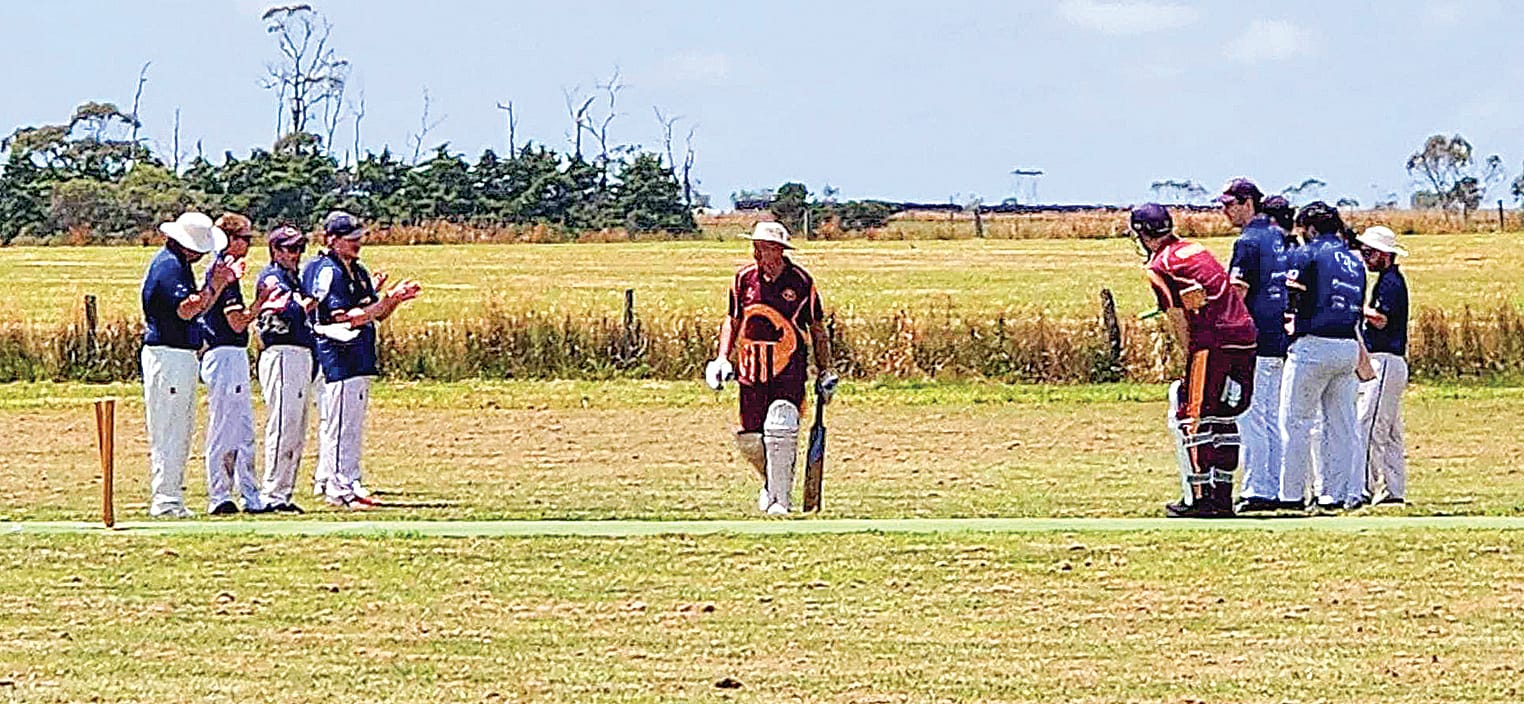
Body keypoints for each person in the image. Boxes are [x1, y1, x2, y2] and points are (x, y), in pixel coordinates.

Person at [1131, 204, 1257, 518]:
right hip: (1245, 335)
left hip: (1212, 341)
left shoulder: (1159, 265)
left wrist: (1189, 356)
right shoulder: (1196, 248)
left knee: (1195, 418)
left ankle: (1202, 498)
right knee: (1226, 418)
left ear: (1143, 235)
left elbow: (1177, 318)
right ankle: (1224, 495)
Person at [705, 222, 838, 515]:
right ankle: (772, 482)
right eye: (755, 246)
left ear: (777, 250)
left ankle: (780, 501)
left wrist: (825, 369)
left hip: (788, 369)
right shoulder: (743, 280)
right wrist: (722, 357)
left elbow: (816, 327)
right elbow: (733, 319)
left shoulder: (801, 282)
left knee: (782, 425)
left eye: (763, 247)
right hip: (750, 370)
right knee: (751, 439)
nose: (756, 252)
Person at [307, 211, 422, 510]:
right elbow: (343, 317)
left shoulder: (357, 271)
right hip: (339, 353)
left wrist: (393, 300)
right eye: (350, 238)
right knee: (340, 423)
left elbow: (374, 312)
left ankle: (349, 481)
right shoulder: (328, 271)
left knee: (351, 425)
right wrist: (383, 303)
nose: (358, 243)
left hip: (358, 355)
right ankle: (338, 488)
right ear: (332, 240)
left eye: (359, 237)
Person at [140, 212, 237, 518]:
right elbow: (187, 309)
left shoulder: (177, 265)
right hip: (168, 354)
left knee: (178, 428)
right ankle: (165, 499)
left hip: (178, 354)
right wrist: (215, 286)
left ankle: (172, 497)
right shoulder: (169, 267)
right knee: (169, 428)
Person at [1278, 202, 1367, 511]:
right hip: (1347, 346)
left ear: (1309, 228)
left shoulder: (1307, 253)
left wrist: (1289, 318)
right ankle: (1335, 494)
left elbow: (1293, 294)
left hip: (1313, 345)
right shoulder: (1355, 261)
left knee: (1296, 422)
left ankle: (1290, 495)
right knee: (1341, 424)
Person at [1218, 179, 1290, 512]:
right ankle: (1273, 486)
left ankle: (1257, 489)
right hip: (1277, 336)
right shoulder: (1276, 236)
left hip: (1254, 339)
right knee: (1271, 418)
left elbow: (1238, 291)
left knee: (1251, 416)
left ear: (1248, 203)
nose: (1225, 212)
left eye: (1229, 205)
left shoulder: (1247, 242)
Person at [198, 214, 273, 515]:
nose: (249, 244)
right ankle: (220, 494)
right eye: (245, 238)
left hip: (230, 354)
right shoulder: (224, 272)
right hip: (224, 351)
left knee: (240, 427)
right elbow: (236, 321)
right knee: (225, 427)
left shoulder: (227, 272)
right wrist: (260, 304)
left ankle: (248, 493)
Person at [254, 225, 320, 513]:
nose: (296, 255)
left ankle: (283, 491)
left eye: (299, 249)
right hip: (281, 351)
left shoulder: (295, 278)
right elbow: (289, 311)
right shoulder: (273, 277)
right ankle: (271, 492)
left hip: (300, 352)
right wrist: (310, 301)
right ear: (275, 251)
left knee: (296, 426)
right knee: (283, 423)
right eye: (290, 249)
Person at [1354, 226, 1409, 505]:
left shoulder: (1390, 283)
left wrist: (1355, 307)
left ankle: (1362, 487)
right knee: (1390, 430)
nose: (1365, 258)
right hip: (1392, 361)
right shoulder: (1388, 280)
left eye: (1369, 252)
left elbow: (1382, 319)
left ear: (1384, 254)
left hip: (1384, 358)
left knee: (1370, 424)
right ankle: (1392, 490)